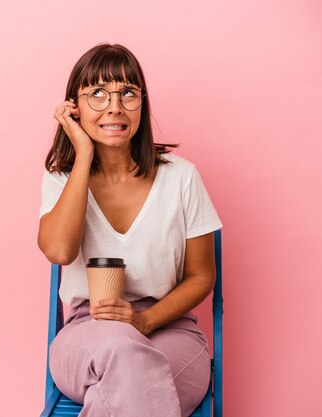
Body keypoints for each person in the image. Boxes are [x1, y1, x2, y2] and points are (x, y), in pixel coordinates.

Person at [37, 43, 223, 417]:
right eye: (98, 94)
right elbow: (59, 252)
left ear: (143, 102)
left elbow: (202, 276)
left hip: (170, 329)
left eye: (128, 93)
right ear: (74, 106)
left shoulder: (181, 176)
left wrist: (144, 320)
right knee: (123, 356)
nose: (115, 106)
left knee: (130, 378)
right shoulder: (62, 178)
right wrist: (83, 155)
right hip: (87, 332)